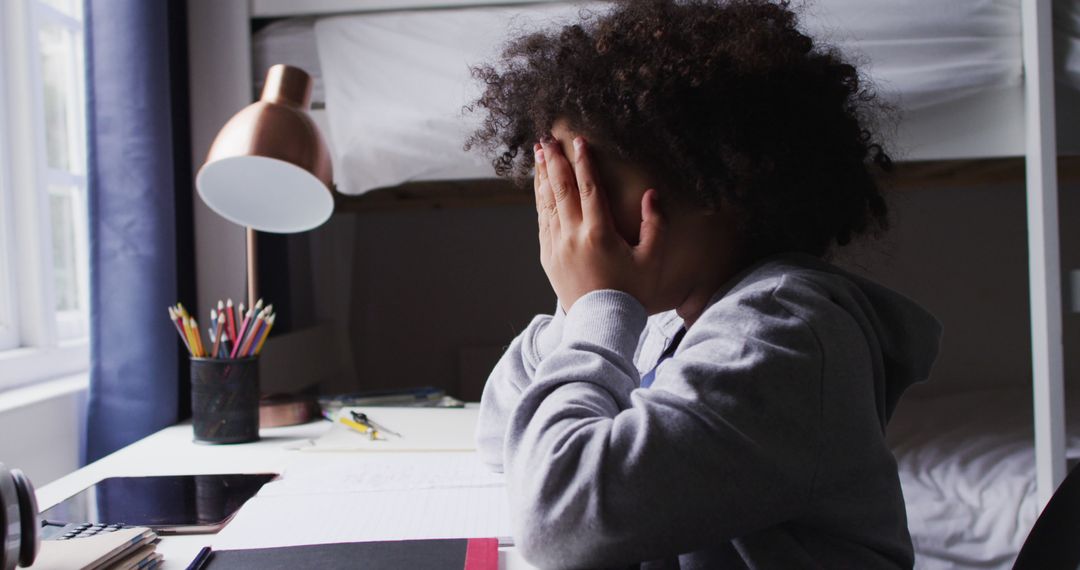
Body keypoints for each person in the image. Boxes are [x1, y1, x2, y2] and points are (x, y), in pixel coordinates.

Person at [465, 1, 943, 568]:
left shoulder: (786, 333)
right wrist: (578, 310)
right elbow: (499, 437)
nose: (568, 213)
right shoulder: (667, 310)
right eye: (557, 184)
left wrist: (598, 307)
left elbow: (559, 526)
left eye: (589, 183)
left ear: (715, 185)